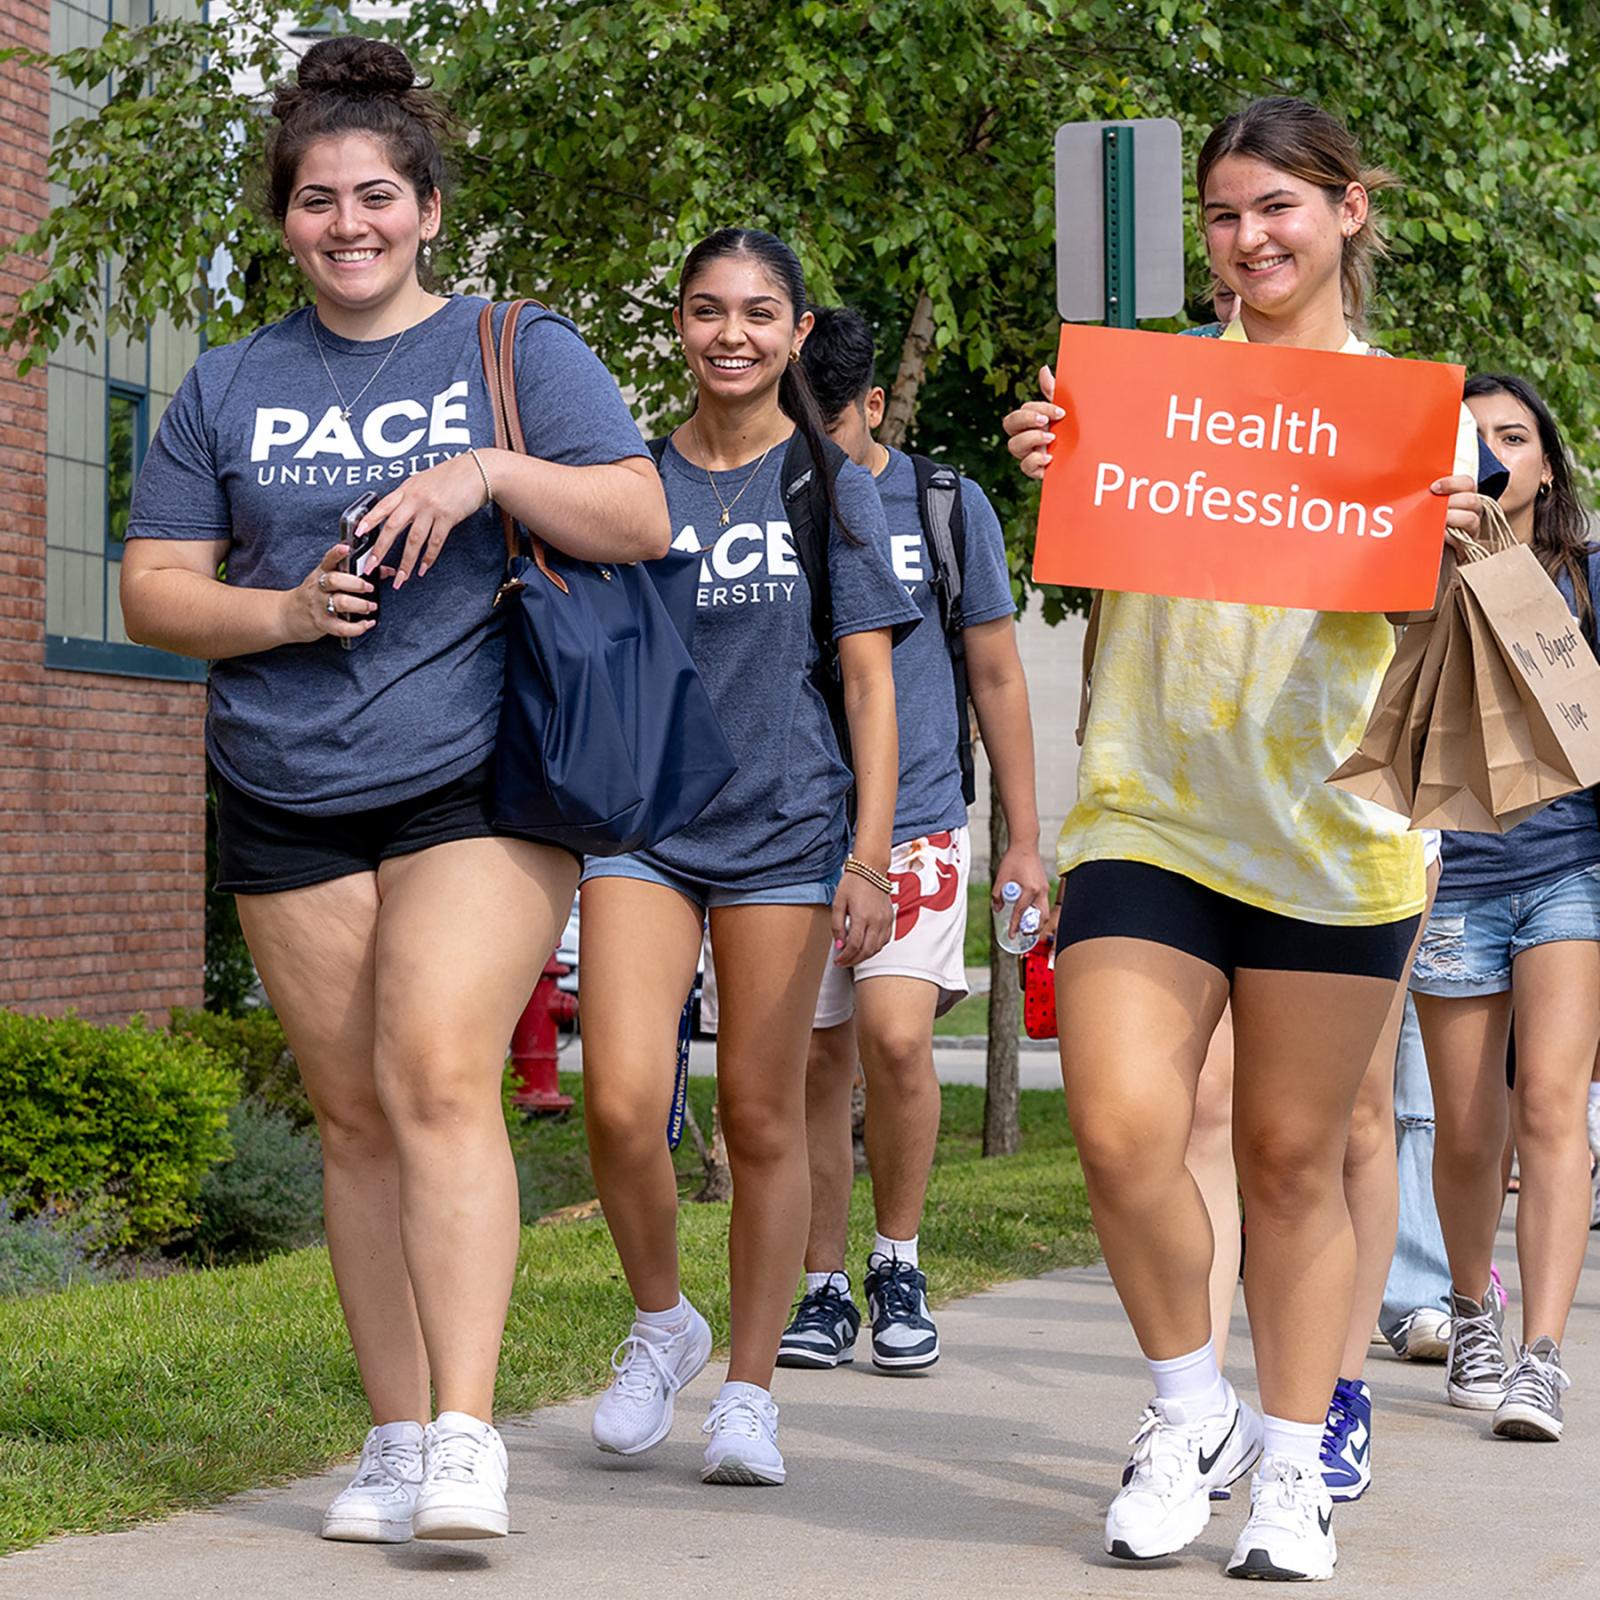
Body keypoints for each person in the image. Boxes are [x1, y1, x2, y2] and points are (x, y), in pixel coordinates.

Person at [119, 36, 666, 1545]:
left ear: (427, 207)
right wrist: (282, 615)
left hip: (474, 770)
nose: (345, 224)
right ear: (284, 218)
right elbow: (157, 590)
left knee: (435, 1068)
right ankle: (393, 1427)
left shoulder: (516, 347)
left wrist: (486, 475)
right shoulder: (226, 385)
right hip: (287, 779)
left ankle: (468, 1435)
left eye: (375, 196)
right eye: (314, 200)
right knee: (356, 1115)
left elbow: (637, 508)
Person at [1004, 96, 1480, 1580]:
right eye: (1222, 214)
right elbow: (1103, 537)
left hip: (1337, 833)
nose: (1247, 238)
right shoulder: (1136, 393)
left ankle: (1290, 1469)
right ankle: (1181, 1410)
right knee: (1122, 1126)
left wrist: (1445, 553)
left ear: (1349, 210)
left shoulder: (1420, 417)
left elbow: (1425, 639)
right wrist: (1057, 461)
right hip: (1151, 808)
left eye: (1278, 206)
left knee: (1287, 1161)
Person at [577, 231, 920, 1488]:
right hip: (645, 827)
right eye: (709, 310)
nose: (733, 333)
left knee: (760, 1112)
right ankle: (664, 1323)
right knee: (620, 1097)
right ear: (677, 322)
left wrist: (869, 858)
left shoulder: (830, 483)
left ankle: (752, 1391)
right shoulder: (629, 479)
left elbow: (871, 687)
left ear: (794, 330)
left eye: (759, 313)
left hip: (784, 828)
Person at [695, 305, 1044, 1374]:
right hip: (788, 823)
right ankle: (824, 1282)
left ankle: (898, 1256)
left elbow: (992, 670)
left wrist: (1025, 837)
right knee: (815, 1062)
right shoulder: (749, 491)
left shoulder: (942, 503)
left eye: (826, 421)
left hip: (921, 816)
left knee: (894, 1040)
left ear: (874, 407)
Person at [1409, 371, 1600, 1443]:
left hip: (1568, 867)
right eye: (1470, 435)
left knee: (1551, 1110)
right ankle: (1472, 1312)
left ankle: (1542, 1355)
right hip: (1455, 879)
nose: (1490, 451)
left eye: (1511, 435)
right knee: (1468, 1126)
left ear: (1542, 464)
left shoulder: (1584, 574)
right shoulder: (1403, 570)